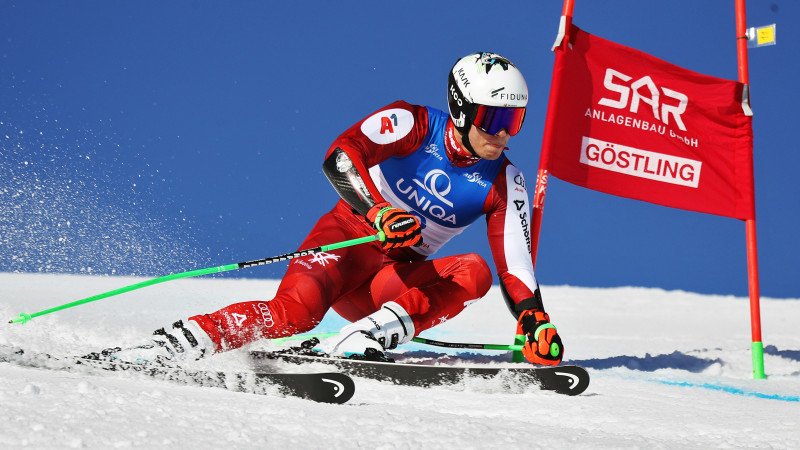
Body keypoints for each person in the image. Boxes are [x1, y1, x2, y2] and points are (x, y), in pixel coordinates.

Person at [106, 52, 563, 367]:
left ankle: (366, 336)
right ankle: (181, 341)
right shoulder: (413, 122)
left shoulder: (505, 181)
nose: (504, 134)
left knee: (474, 272)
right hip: (347, 240)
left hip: (390, 282)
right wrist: (379, 212)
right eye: (495, 119)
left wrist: (533, 319)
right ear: (462, 110)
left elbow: (516, 266)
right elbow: (341, 156)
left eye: (515, 120)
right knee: (295, 314)